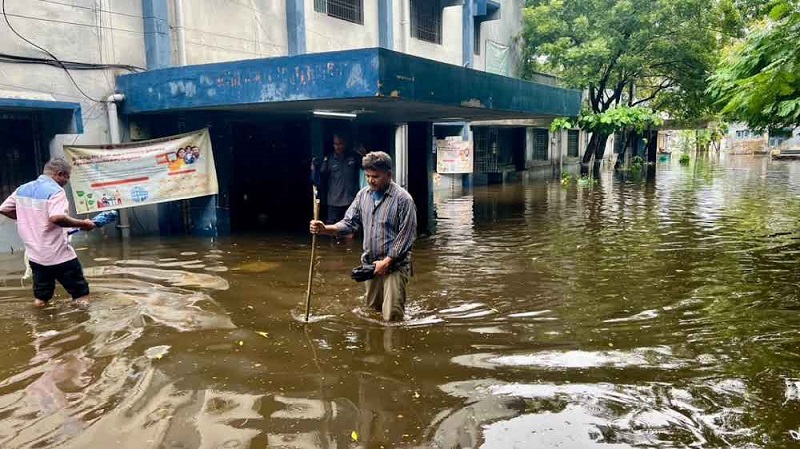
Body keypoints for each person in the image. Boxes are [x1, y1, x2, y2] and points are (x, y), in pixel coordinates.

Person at [310, 151, 417, 321]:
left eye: (375, 176)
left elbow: (406, 237)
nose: (370, 180)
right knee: (372, 312)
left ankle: (392, 346)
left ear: (389, 175)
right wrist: (325, 229)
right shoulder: (363, 195)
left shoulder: (403, 200)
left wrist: (387, 261)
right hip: (370, 264)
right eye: (367, 175)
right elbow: (349, 222)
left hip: (395, 265)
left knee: (392, 317)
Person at [0, 158, 96, 308]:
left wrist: (31, 219)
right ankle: (83, 324)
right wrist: (83, 224)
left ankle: (38, 324)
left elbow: (4, 208)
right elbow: (56, 218)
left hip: (36, 257)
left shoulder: (22, 189)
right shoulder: (56, 192)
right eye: (67, 177)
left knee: (41, 298)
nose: (67, 181)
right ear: (59, 174)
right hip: (60, 256)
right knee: (81, 294)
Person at [312, 134, 362, 224]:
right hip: (333, 202)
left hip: (351, 201)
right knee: (332, 230)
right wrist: (314, 168)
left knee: (350, 230)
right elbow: (320, 178)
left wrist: (364, 154)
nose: (338, 146)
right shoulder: (328, 159)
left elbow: (366, 168)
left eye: (341, 144)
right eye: (336, 144)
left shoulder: (354, 157)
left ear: (345, 144)